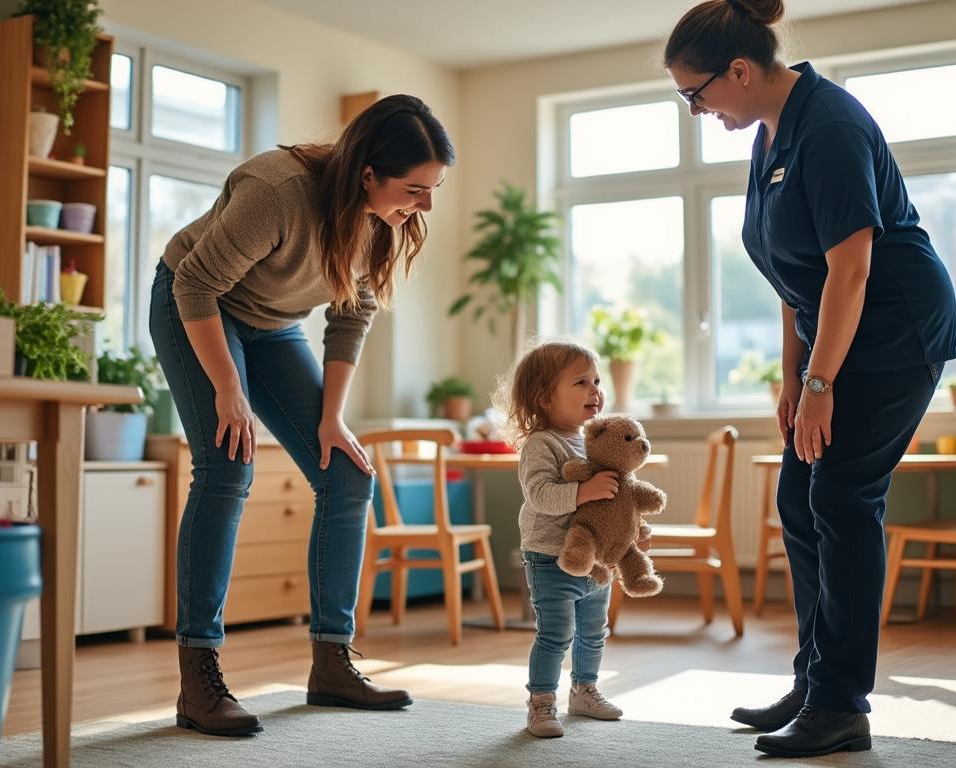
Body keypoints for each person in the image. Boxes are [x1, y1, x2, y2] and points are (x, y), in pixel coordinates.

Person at [663, 0, 956, 758]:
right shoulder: (768, 135)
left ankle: (841, 706)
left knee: (840, 495)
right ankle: (814, 680)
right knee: (798, 496)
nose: (698, 111)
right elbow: (792, 278)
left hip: (892, 332)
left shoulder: (827, 125)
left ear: (738, 70)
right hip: (832, 336)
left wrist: (823, 382)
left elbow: (851, 267)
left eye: (695, 95)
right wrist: (795, 378)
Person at [148, 94, 454, 737]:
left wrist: (332, 419)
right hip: (198, 305)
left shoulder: (381, 218)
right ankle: (197, 677)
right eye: (415, 188)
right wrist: (228, 389)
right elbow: (195, 286)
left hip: (271, 325)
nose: (425, 204)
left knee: (347, 473)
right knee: (227, 466)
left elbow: (351, 315)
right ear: (368, 173)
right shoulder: (277, 189)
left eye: (434, 189)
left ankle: (331, 662)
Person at [497, 340, 652, 739]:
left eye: (597, 380)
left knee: (594, 629)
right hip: (550, 557)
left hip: (598, 560)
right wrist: (584, 492)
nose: (595, 390)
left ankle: (585, 689)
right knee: (555, 632)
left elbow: (619, 502)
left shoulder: (597, 444)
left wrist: (634, 529)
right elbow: (540, 495)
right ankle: (541, 701)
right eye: (581, 382)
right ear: (545, 398)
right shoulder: (541, 444)